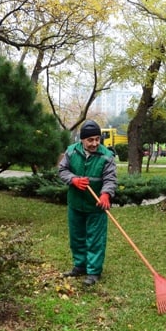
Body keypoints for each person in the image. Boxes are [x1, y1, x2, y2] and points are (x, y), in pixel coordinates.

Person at [58, 120, 118, 286]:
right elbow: (62, 171)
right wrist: (74, 180)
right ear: (82, 140)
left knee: (95, 239)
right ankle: (80, 266)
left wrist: (106, 194)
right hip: (76, 204)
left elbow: (110, 179)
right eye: (90, 140)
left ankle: (93, 272)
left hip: (96, 206)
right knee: (77, 237)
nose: (94, 143)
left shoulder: (107, 156)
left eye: (97, 139)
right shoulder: (71, 151)